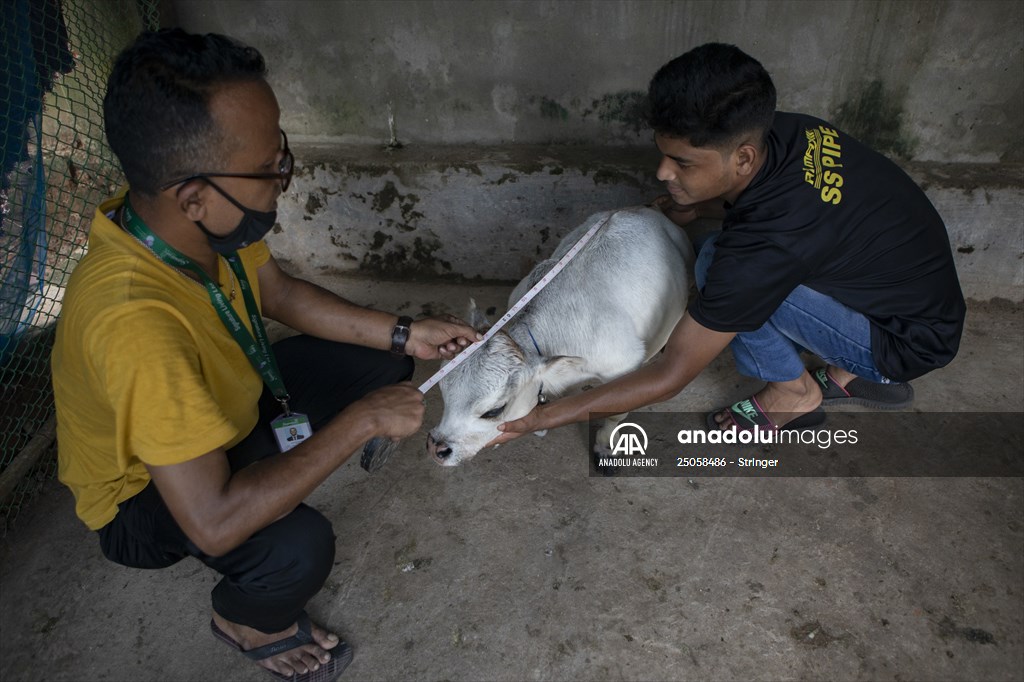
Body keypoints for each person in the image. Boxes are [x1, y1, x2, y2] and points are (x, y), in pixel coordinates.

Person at [51, 29, 479, 682]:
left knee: (384, 365)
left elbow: (274, 290)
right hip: (143, 497)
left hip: (225, 410)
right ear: (194, 197)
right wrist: (359, 422)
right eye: (266, 167)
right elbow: (216, 521)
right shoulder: (134, 324)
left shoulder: (189, 222)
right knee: (296, 547)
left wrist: (406, 333)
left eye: (280, 147)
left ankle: (301, 442)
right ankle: (244, 617)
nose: (282, 173)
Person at [497, 42, 965, 442]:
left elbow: (670, 374)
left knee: (715, 265)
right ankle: (844, 370)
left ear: (742, 157)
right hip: (917, 300)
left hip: (904, 342)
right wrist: (698, 207)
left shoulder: (761, 251)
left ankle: (796, 393)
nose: (663, 172)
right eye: (663, 155)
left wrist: (543, 415)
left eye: (682, 162)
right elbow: (784, 215)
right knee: (735, 269)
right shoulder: (789, 132)